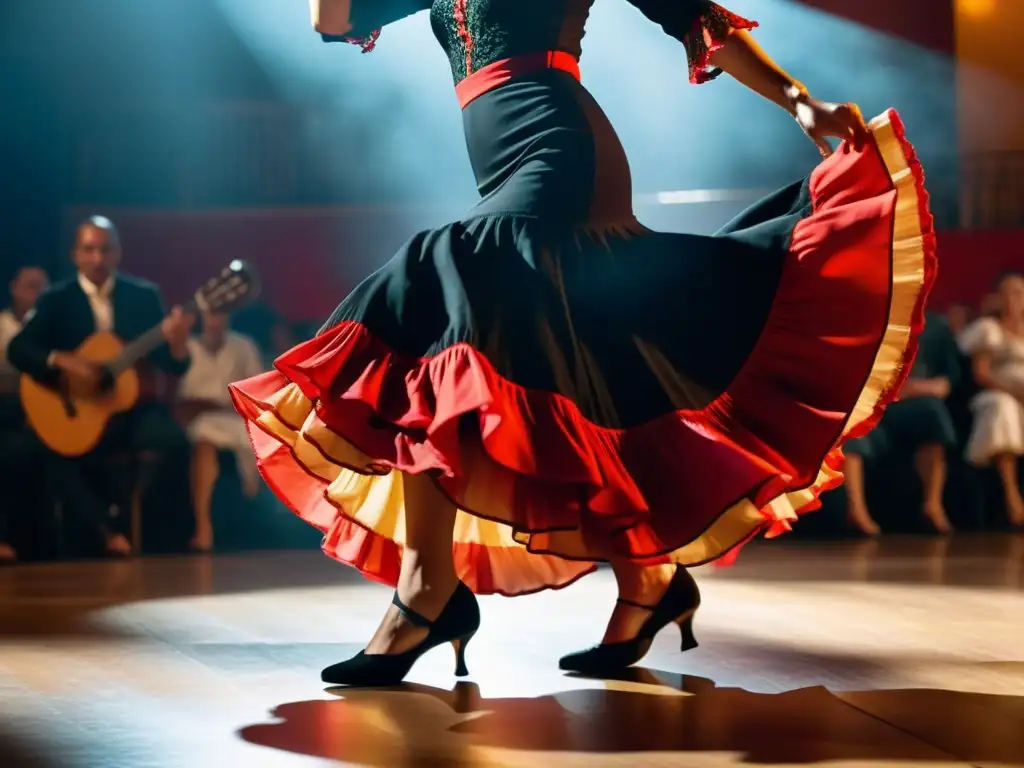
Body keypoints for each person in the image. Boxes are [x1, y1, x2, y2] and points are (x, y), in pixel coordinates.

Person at [230, 0, 935, 685]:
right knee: (594, 367)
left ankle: (426, 591)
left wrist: (799, 101)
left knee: (433, 289)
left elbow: (693, 13)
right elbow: (335, 20)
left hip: (563, 154)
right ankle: (649, 581)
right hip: (506, 165)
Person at [7, 216, 194, 557]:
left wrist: (179, 345)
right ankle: (105, 530)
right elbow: (19, 349)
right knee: (50, 449)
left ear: (117, 253)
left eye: (104, 250)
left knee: (175, 441)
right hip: (75, 408)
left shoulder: (144, 296)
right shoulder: (56, 298)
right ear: (75, 254)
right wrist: (61, 360)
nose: (97, 258)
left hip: (130, 411)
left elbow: (173, 365)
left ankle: (170, 538)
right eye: (89, 249)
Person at [843, 311, 962, 536]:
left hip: (911, 405)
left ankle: (932, 505)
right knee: (851, 420)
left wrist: (920, 389)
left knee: (933, 413)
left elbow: (949, 379)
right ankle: (856, 510)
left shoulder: (936, 325)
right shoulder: (862, 315)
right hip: (867, 404)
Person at [176, 310, 263, 552]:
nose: (216, 321)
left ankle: (256, 518)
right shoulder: (188, 348)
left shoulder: (244, 346)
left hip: (237, 419)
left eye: (221, 314)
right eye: (211, 315)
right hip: (200, 421)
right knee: (203, 440)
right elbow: (182, 399)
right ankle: (203, 528)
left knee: (256, 438)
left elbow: (256, 393)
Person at [959, 272, 1024, 528]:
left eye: (1019, 293)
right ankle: (1011, 496)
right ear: (997, 298)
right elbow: (981, 373)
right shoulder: (988, 329)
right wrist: (1013, 391)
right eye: (1007, 293)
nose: (1013, 299)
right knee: (1001, 408)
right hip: (997, 393)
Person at [0, 266, 50, 563]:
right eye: (31, 286)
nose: (37, 294)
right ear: (14, 288)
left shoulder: (52, 331)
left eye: (44, 288)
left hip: (43, 417)